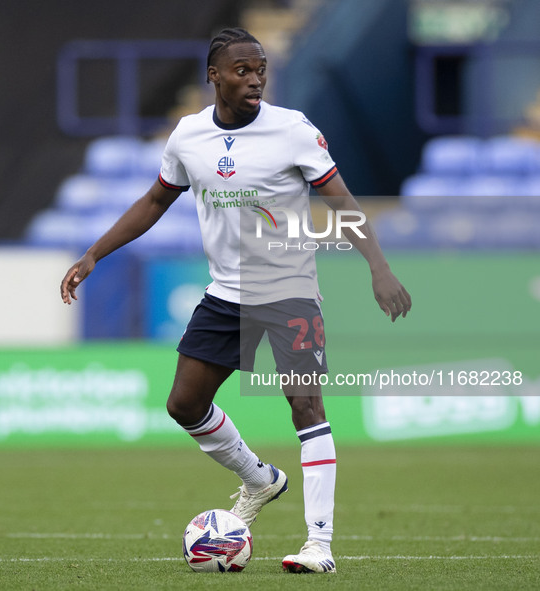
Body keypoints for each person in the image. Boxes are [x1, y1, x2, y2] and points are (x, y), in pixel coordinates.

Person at [60, 27, 411, 574]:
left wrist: (379, 268)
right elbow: (156, 199)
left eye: (261, 69)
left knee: (306, 407)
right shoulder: (188, 136)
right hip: (226, 294)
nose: (255, 79)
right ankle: (259, 478)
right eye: (242, 70)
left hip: (290, 293)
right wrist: (94, 254)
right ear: (214, 76)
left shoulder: (293, 131)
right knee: (184, 405)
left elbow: (341, 200)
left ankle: (319, 545)